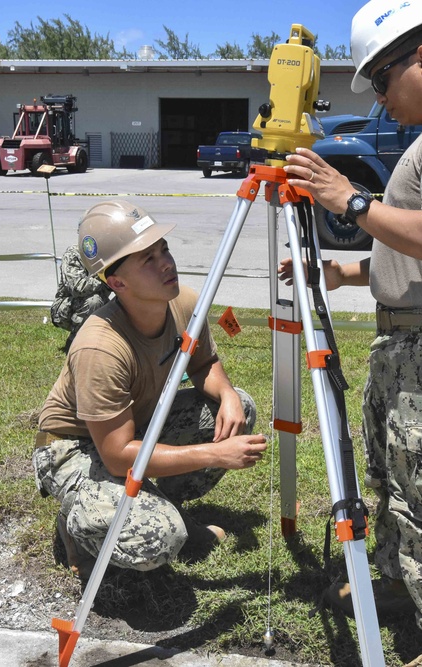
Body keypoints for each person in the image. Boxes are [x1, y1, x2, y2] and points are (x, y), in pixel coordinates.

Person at [279, 2, 422, 666]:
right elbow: (410, 251)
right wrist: (345, 273)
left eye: (381, 81)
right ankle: (400, 585)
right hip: (409, 345)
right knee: (400, 483)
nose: (379, 100)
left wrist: (348, 199)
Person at [33, 200, 267, 579]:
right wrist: (215, 454)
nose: (166, 264)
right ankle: (79, 522)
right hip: (72, 448)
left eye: (164, 250)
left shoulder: (185, 303)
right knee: (158, 538)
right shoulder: (100, 345)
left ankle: (156, 504)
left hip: (132, 427)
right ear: (117, 282)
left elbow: (204, 363)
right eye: (148, 259)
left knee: (240, 405)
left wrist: (225, 395)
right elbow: (116, 455)